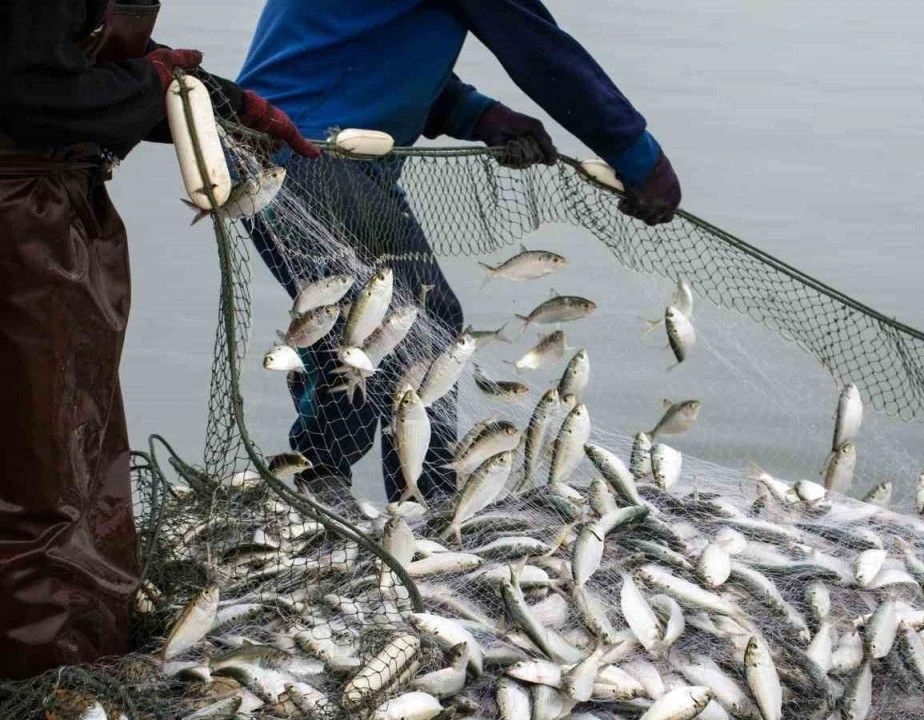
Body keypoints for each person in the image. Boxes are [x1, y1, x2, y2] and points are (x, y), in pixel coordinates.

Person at [237, 0, 684, 506]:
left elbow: (365, 48)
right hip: (307, 156)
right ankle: (395, 501)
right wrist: (638, 155)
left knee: (394, 321)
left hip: (303, 147)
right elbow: (539, 52)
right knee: (397, 323)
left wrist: (480, 115)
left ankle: (376, 493)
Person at [0, 0, 316, 678]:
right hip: (17, 223)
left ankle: (82, 642)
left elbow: (71, 58)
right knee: (38, 465)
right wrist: (154, 86)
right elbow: (29, 93)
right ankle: (49, 676)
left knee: (73, 443)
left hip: (49, 207)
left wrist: (224, 103)